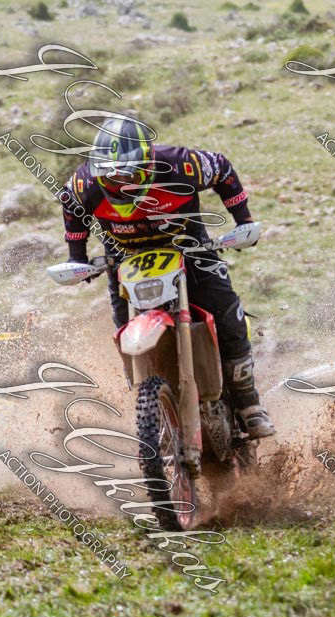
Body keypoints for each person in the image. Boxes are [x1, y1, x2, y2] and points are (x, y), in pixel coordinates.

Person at [59, 116, 275, 441]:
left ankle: (248, 403)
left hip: (189, 246)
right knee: (124, 334)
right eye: (110, 176)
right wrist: (76, 258)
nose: (119, 182)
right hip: (126, 258)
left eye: (128, 174)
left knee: (228, 314)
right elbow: (72, 207)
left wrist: (243, 220)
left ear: (148, 165)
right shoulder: (82, 184)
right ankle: (150, 410)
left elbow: (222, 169)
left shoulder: (181, 165)